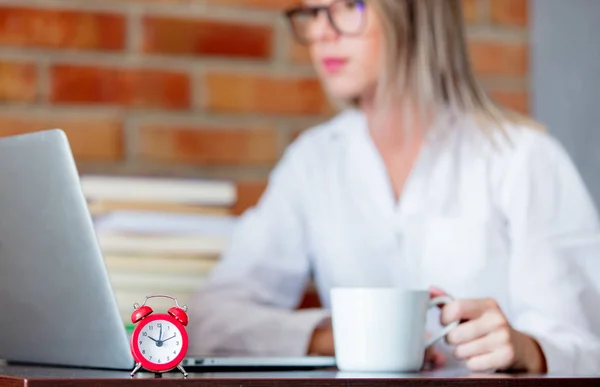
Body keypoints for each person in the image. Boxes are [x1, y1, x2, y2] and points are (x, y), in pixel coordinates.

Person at [187, 0, 600, 375]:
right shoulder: (314, 162)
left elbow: (585, 347)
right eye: (312, 13)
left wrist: (528, 351)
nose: (320, 33)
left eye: (348, 6)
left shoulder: (523, 158)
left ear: (416, 13)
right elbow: (209, 317)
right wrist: (331, 336)